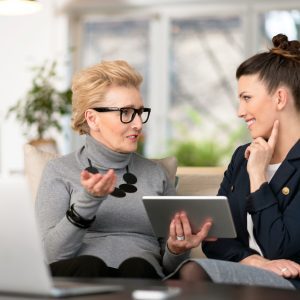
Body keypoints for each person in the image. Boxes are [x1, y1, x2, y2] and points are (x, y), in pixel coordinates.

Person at [35, 60, 212, 279]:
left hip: (140, 275)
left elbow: (170, 266)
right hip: (80, 275)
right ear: (92, 119)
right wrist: (87, 202)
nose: (138, 124)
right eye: (127, 113)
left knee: (138, 267)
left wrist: (176, 249)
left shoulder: (156, 174)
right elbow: (52, 255)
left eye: (139, 112)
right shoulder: (59, 170)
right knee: (89, 266)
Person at [167, 34, 300, 290]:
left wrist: (259, 177)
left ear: (280, 98)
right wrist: (253, 261)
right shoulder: (242, 156)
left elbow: (280, 248)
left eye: (247, 98)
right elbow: (217, 238)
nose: (240, 111)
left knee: (193, 272)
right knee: (191, 273)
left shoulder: (254, 163)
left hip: (292, 283)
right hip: (248, 276)